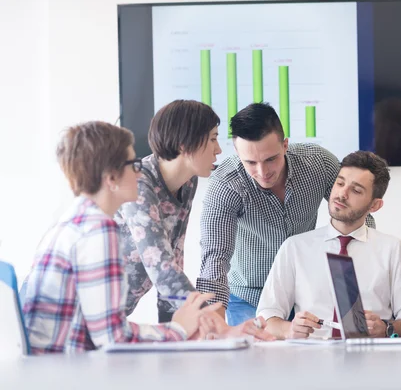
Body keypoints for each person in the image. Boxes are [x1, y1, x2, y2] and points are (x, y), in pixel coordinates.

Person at [21, 121, 220, 354]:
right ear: (111, 178)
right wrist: (178, 330)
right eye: (132, 164)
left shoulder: (74, 220)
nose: (140, 171)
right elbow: (113, 338)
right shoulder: (98, 230)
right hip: (61, 370)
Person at [196, 102, 375, 325]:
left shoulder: (318, 163)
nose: (262, 172)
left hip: (308, 293)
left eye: (271, 159)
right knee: (255, 355)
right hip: (249, 296)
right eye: (250, 162)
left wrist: (356, 275)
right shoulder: (227, 183)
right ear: (237, 153)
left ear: (285, 145)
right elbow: (215, 256)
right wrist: (211, 323)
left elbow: (358, 215)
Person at [256, 151, 401, 339]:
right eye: (340, 183)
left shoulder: (392, 249)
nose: (342, 194)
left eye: (356, 190)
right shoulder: (295, 248)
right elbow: (266, 315)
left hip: (372, 359)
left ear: (374, 206)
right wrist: (289, 330)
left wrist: (386, 328)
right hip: (312, 357)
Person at [115, 100, 221, 323]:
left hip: (109, 317)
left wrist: (176, 333)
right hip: (67, 313)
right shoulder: (138, 185)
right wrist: (211, 322)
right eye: (212, 138)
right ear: (184, 144)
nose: (218, 149)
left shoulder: (188, 182)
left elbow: (173, 259)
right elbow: (161, 269)